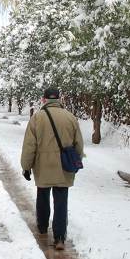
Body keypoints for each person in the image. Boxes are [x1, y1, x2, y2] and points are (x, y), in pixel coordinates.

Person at [20, 86, 84, 250]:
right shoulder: (70, 117)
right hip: (64, 166)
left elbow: (29, 146)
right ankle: (60, 237)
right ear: (59, 99)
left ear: (44, 99)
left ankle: (42, 228)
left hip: (43, 165)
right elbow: (79, 145)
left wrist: (26, 167)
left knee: (43, 195)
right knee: (61, 200)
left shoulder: (37, 118)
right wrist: (75, 162)